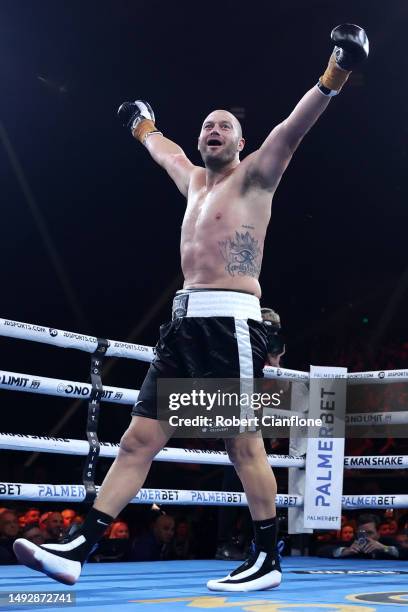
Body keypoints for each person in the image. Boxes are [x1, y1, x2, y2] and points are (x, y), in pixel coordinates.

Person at [13, 24, 369, 591]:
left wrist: (338, 69)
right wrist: (143, 124)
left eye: (224, 126)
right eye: (207, 124)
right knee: (138, 440)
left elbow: (294, 127)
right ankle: (82, 546)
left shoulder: (256, 176)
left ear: (240, 141)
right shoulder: (194, 184)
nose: (212, 131)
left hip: (231, 322)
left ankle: (267, 559)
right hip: (182, 325)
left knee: (241, 443)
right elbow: (164, 149)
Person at [317, 513, 401, 559]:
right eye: (362, 533)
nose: (365, 537)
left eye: (369, 533)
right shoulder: (354, 543)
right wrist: (345, 551)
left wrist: (384, 548)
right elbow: (322, 550)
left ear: (378, 533)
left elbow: (404, 552)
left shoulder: (387, 542)